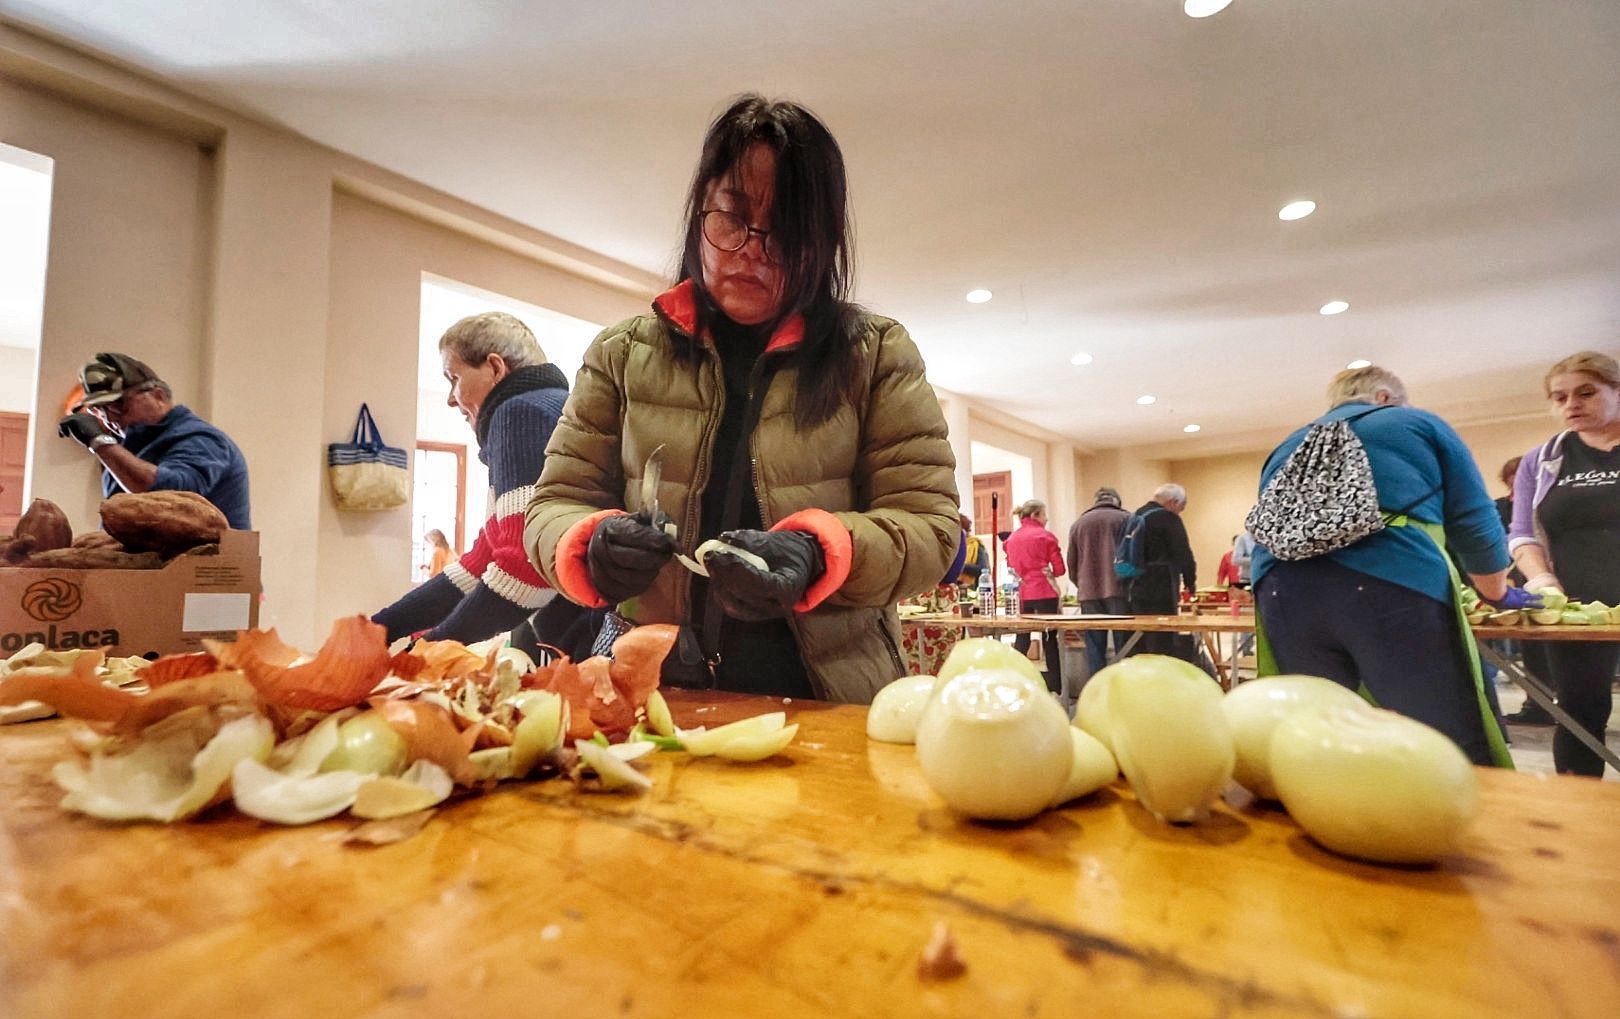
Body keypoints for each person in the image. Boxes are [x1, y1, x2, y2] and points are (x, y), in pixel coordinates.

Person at [523, 95, 959, 702]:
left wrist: (819, 550)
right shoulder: (622, 353)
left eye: (785, 231)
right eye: (731, 219)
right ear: (700, 214)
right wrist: (588, 543)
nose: (753, 249)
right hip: (650, 691)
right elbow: (554, 505)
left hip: (824, 691)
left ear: (823, 242)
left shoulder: (875, 354)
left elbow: (933, 530)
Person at [1251, 365, 1533, 767]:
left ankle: (1332, 820)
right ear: (1384, 397)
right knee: (1442, 738)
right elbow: (1474, 518)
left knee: (1317, 737)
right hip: (1389, 578)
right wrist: (1497, 592)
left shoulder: (1290, 442)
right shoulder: (1416, 422)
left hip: (1280, 588)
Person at [372, 312, 572, 648]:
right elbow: (480, 564)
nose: (451, 398)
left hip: (588, 642)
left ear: (495, 368)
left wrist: (427, 650)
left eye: (453, 378)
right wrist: (380, 628)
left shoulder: (520, 413)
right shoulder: (552, 408)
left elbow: (525, 568)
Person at [1508, 351, 1620, 777]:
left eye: (1586, 392)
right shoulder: (1542, 460)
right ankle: (1579, 809)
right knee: (1578, 713)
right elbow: (1522, 533)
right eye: (1560, 397)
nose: (1571, 404)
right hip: (1575, 610)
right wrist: (1543, 580)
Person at [57, 352, 251, 529]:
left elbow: (171, 498)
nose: (109, 417)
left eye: (118, 404)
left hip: (205, 566)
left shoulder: (203, 439)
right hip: (161, 564)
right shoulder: (128, 447)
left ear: (158, 396)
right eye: (100, 409)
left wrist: (100, 443)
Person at [1125, 483, 1198, 663]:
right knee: (1163, 635)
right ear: (1173, 502)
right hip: (1162, 584)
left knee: (1141, 635)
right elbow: (1183, 553)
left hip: (1134, 584)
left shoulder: (1134, 516)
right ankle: (1162, 678)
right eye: (1181, 507)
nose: (1180, 512)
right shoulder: (1168, 518)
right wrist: (1190, 582)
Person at [1066, 486, 1129, 677]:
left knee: (1094, 645)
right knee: (1124, 645)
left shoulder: (1079, 523)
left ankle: (1096, 688)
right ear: (1117, 500)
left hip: (1088, 592)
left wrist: (1081, 583)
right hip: (1120, 590)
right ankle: (1124, 686)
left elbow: (1072, 561)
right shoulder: (1126, 519)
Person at [1005, 498, 1065, 692]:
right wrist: (1047, 571)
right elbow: (1060, 569)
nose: (1046, 519)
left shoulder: (1011, 539)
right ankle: (1056, 684)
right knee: (1050, 639)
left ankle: (1014, 679)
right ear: (1035, 515)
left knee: (1022, 638)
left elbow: (1011, 566)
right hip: (1045, 591)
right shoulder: (1045, 536)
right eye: (1044, 514)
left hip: (1023, 593)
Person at [956, 513, 989, 586]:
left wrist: (959, 566)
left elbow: (982, 569)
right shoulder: (950, 546)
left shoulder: (976, 545)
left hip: (972, 589)